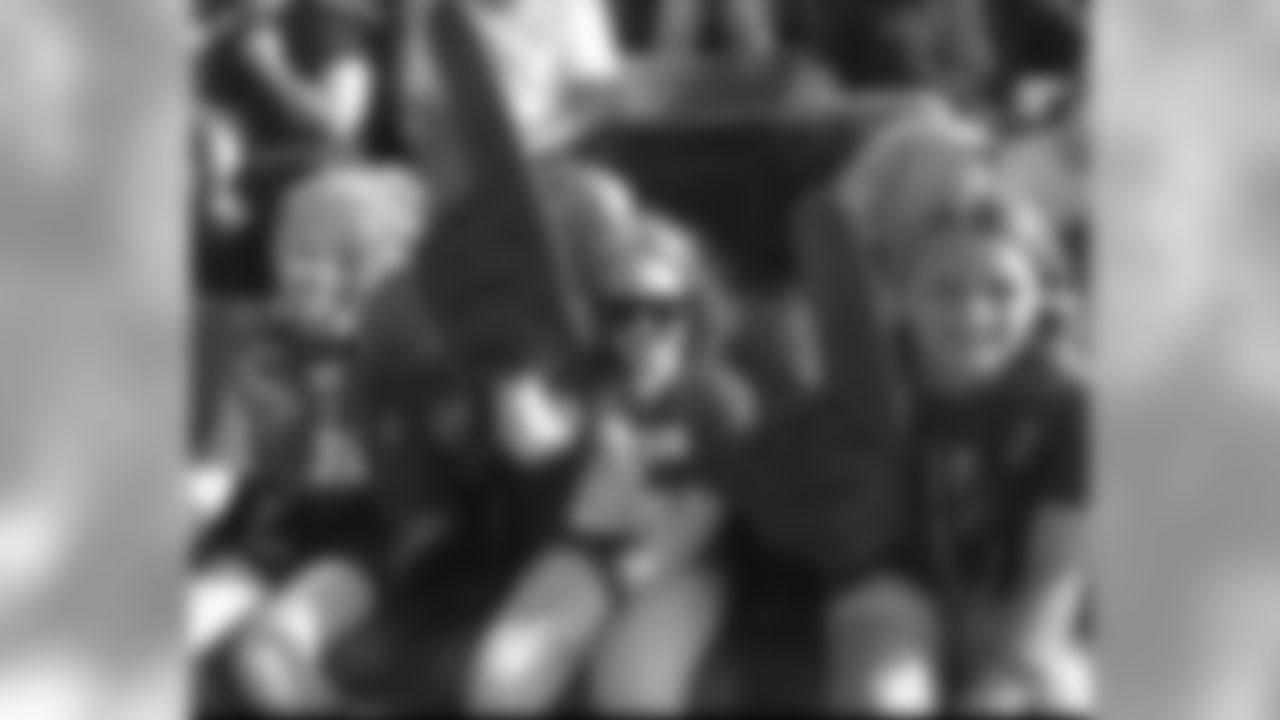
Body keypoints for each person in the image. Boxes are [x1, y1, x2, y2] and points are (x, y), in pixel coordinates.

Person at [465, 212, 756, 714]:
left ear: (692, 309)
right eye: (621, 311)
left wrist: (620, 583)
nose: (640, 327)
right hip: (581, 553)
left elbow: (703, 514)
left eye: (661, 310)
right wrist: (510, 366)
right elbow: (534, 442)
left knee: (634, 689)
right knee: (500, 681)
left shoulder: (717, 397)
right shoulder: (590, 380)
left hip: (681, 567)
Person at [825, 173, 1090, 714]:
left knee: (1059, 699)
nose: (973, 314)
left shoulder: (1071, 405)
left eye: (1002, 292)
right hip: (895, 588)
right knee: (881, 699)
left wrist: (1003, 684)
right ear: (900, 295)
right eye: (946, 290)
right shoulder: (867, 385)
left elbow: (1055, 574)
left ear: (1042, 298)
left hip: (1014, 590)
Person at [188, 162, 429, 714]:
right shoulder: (264, 352)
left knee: (266, 653)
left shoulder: (401, 350)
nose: (300, 273)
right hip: (276, 534)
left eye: (325, 257)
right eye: (294, 253)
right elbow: (215, 479)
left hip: (370, 536)